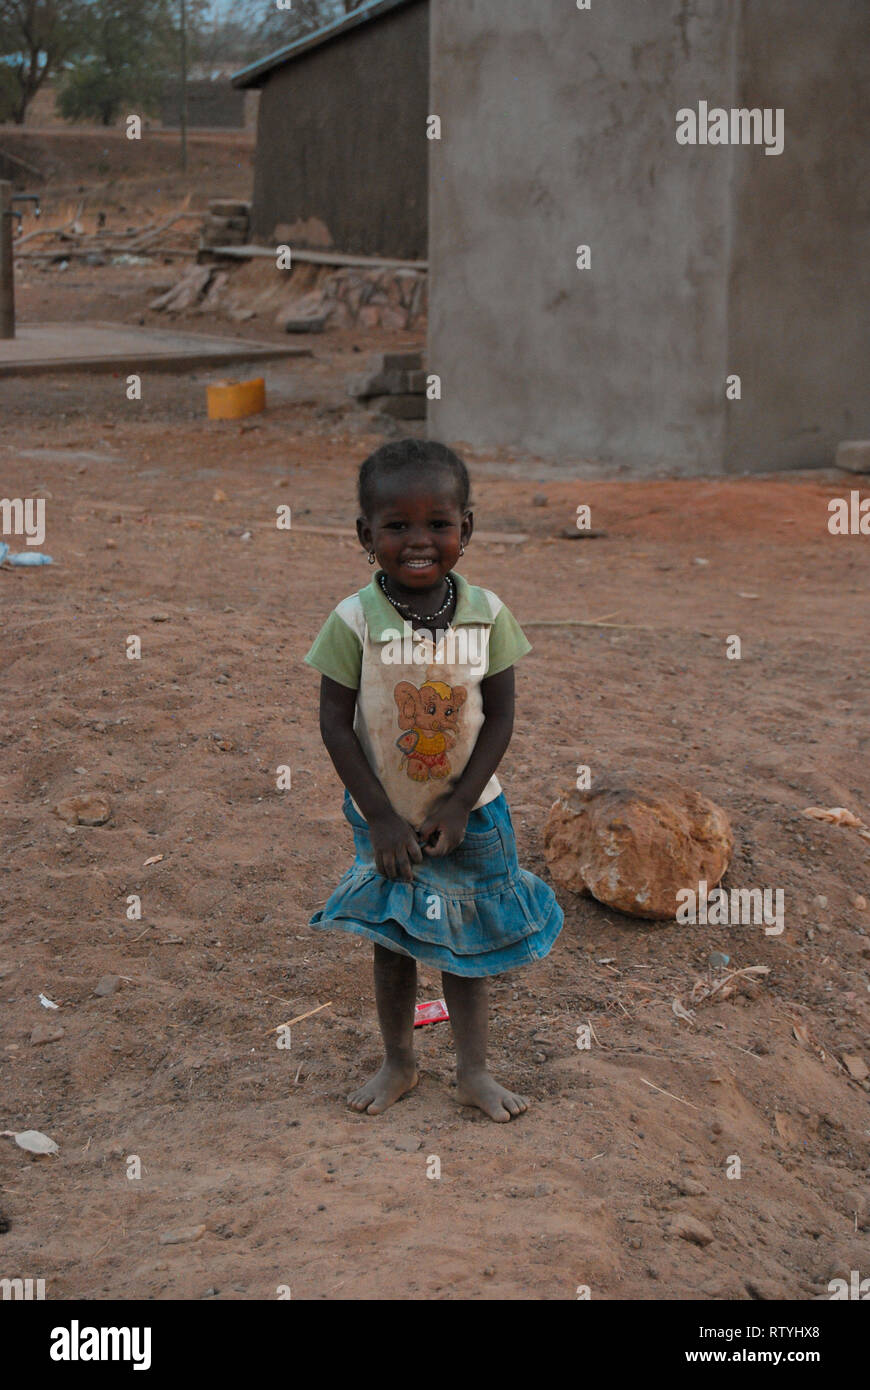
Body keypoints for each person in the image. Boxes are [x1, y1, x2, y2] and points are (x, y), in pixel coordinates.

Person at [305, 439, 563, 1122]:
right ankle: (399, 1063)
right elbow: (334, 724)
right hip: (385, 816)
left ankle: (473, 1072)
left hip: (472, 813)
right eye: (396, 526)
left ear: (466, 530)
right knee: (395, 943)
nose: (418, 541)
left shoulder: (487, 615)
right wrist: (380, 816)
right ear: (366, 535)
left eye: (438, 524)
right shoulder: (353, 622)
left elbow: (502, 717)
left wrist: (457, 800)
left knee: (467, 944)